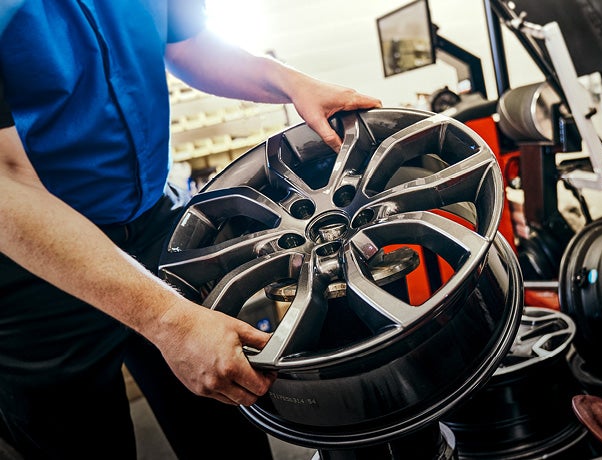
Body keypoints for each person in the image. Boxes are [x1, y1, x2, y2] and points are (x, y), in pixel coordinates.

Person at [0, 1, 381, 459]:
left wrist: (290, 83)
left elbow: (189, 46)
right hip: (35, 260)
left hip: (152, 223)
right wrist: (167, 319)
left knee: (226, 423)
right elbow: (6, 181)